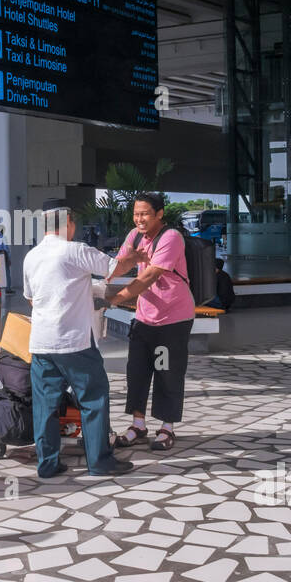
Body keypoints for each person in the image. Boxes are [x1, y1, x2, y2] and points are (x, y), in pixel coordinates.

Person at [22, 199, 133, 478]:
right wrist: (139, 258)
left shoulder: (31, 256)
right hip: (75, 342)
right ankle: (99, 461)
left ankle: (47, 464)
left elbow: (32, 300)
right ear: (68, 222)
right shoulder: (75, 250)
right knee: (93, 398)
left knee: (45, 406)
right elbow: (115, 268)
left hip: (41, 343)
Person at [109, 193, 195, 452]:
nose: (139, 219)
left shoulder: (171, 237)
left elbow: (150, 276)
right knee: (137, 370)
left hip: (173, 317)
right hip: (145, 316)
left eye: (145, 213)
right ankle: (138, 425)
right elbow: (119, 266)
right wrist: (120, 265)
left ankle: (166, 427)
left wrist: (114, 299)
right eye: (136, 214)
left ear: (160, 213)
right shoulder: (134, 236)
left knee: (167, 370)